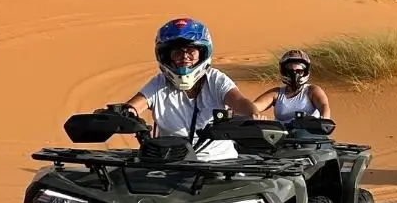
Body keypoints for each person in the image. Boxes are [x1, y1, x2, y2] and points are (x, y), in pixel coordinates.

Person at [123, 17, 258, 158]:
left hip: (219, 165)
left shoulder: (215, 79)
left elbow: (239, 102)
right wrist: (122, 115)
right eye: (178, 52)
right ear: (167, 56)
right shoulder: (159, 83)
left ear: (202, 53)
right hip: (172, 165)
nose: (185, 57)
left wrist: (253, 114)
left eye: (191, 51)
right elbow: (133, 107)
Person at [256, 48, 332, 123]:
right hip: (281, 134)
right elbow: (254, 106)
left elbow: (324, 106)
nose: (295, 74)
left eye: (299, 71)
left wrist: (325, 119)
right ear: (284, 72)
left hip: (310, 134)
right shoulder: (277, 93)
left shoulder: (312, 90)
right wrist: (255, 114)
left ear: (305, 72)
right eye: (290, 71)